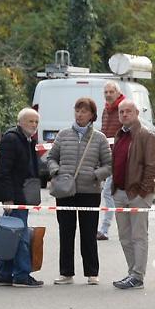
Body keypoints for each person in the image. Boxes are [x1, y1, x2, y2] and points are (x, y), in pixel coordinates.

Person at [46, 97, 112, 284]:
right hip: (65, 191)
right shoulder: (63, 134)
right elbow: (51, 157)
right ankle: (66, 273)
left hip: (90, 192)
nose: (79, 114)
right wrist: (55, 171)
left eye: (84, 111)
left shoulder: (99, 138)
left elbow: (109, 165)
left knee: (89, 233)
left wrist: (95, 174)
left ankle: (92, 273)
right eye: (77, 110)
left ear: (92, 115)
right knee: (66, 232)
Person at [0, 108, 43, 288]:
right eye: (30, 121)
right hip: (14, 196)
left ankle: (4, 274)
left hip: (22, 194)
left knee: (9, 234)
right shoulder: (12, 138)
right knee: (19, 235)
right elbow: (3, 170)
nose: (34, 125)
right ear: (20, 122)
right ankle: (21, 274)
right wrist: (8, 198)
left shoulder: (27, 139)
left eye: (36, 122)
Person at [109, 100, 155, 290]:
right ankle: (132, 273)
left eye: (128, 111)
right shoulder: (120, 135)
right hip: (119, 192)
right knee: (124, 236)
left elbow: (152, 167)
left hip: (137, 194)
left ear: (137, 113)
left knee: (138, 236)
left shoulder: (147, 136)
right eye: (121, 112)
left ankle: (138, 275)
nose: (124, 115)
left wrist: (143, 191)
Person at [97, 81, 123, 241]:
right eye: (106, 92)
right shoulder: (106, 110)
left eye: (111, 92)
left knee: (108, 192)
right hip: (108, 156)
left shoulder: (123, 109)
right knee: (114, 194)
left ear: (117, 93)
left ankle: (105, 229)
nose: (108, 94)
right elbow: (104, 132)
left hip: (120, 158)